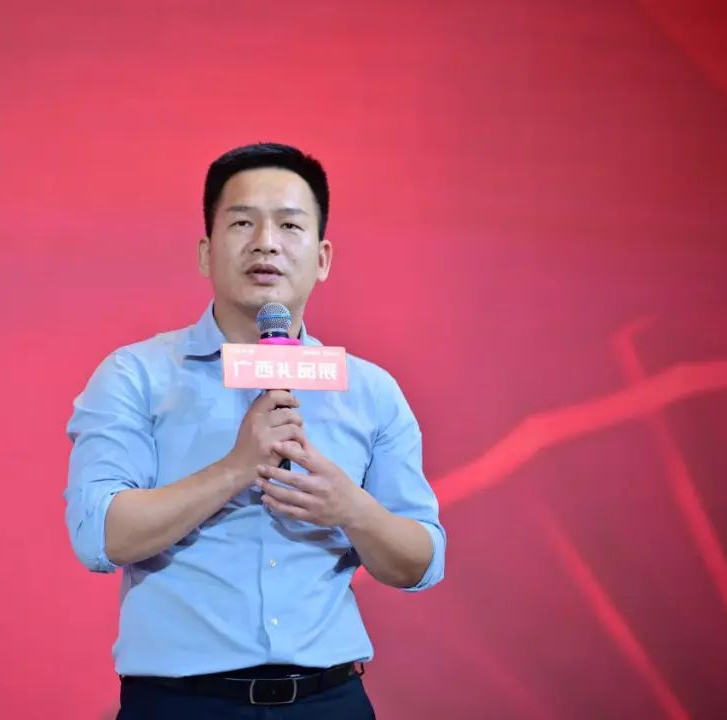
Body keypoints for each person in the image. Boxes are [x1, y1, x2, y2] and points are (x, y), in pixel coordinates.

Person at [65, 143, 446, 719]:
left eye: (289, 225)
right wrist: (236, 468)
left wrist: (352, 509)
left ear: (322, 258)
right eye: (242, 222)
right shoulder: (136, 375)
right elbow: (100, 535)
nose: (266, 242)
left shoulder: (369, 391)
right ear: (206, 252)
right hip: (179, 704)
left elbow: (421, 562)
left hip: (329, 701)